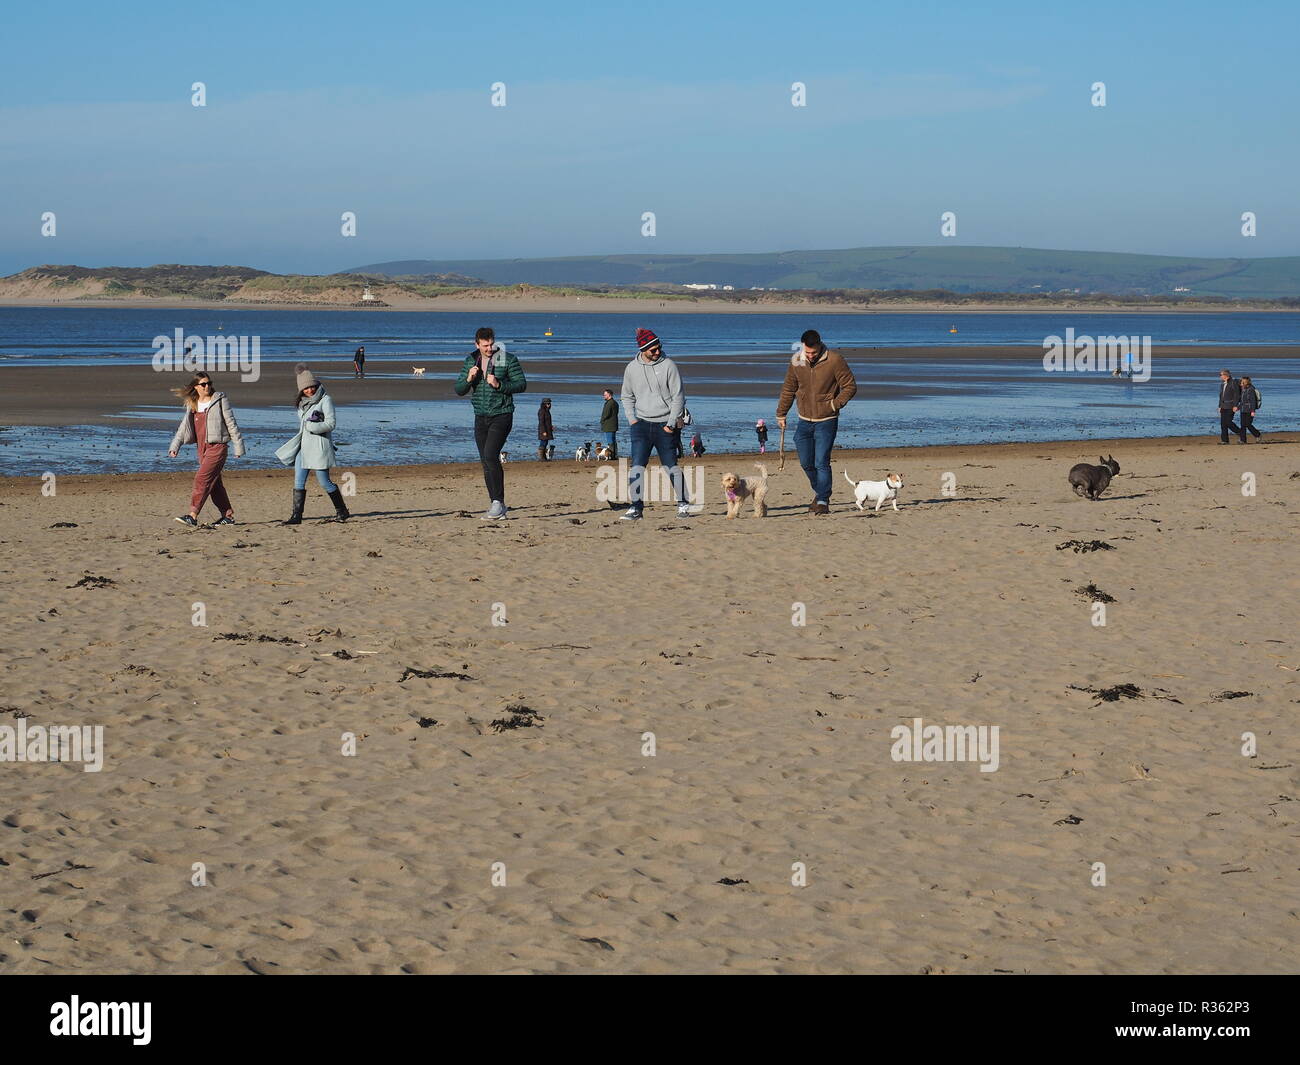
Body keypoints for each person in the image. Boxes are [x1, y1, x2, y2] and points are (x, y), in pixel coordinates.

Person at [776, 329, 858, 515]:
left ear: (820, 345)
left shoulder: (835, 360)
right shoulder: (797, 360)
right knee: (806, 463)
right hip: (804, 419)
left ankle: (822, 500)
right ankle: (821, 492)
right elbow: (789, 389)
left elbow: (850, 386)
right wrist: (781, 414)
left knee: (821, 461)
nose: (810, 356)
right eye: (807, 352)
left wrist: (834, 404)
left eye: (813, 352)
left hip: (827, 420)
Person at [453, 326, 527, 519]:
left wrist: (499, 384)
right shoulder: (471, 360)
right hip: (480, 416)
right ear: (476, 344)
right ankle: (497, 504)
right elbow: (459, 389)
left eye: (491, 344)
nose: (489, 348)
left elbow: (521, 384)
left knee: (490, 455)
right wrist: (469, 378)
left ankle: (497, 503)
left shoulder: (506, 359)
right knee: (486, 461)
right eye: (485, 345)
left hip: (502, 414)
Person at [619, 328, 691, 520]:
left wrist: (669, 424)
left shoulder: (669, 365)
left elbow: (679, 397)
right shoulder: (631, 368)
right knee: (636, 467)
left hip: (666, 425)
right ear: (643, 349)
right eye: (653, 350)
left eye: (659, 348)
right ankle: (636, 508)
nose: (657, 352)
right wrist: (632, 419)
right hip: (640, 425)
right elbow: (626, 396)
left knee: (671, 466)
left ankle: (683, 503)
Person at [168, 371, 245, 527]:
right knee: (215, 484)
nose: (207, 386)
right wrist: (175, 445)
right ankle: (227, 516)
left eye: (209, 383)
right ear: (196, 387)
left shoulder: (219, 400)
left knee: (201, 479)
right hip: (202, 448)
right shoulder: (193, 404)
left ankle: (192, 515)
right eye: (203, 384)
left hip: (218, 447)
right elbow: (184, 427)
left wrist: (238, 446)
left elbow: (231, 423)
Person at [275, 363, 349, 524]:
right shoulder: (301, 403)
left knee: (325, 482)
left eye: (311, 386)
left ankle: (342, 511)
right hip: (303, 448)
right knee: (298, 481)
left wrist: (312, 426)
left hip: (319, 448)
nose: (309, 390)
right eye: (305, 388)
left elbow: (331, 424)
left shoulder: (325, 400)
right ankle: (296, 516)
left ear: (316, 384)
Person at [1217, 368, 1242, 445]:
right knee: (1223, 424)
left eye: (1221, 375)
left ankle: (1241, 433)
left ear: (1226, 375)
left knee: (1228, 422)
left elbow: (1237, 395)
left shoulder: (1233, 382)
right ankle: (1224, 440)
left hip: (1231, 406)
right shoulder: (1222, 384)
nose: (1220, 376)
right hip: (1223, 406)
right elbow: (1221, 396)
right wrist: (1220, 406)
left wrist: (1235, 405)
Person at [1237, 375, 1263, 442]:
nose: (1241, 383)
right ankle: (1243, 440)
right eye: (1241, 382)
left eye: (1242, 382)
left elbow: (1253, 401)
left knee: (1248, 424)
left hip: (1249, 410)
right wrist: (1238, 407)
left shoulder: (1251, 389)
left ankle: (1257, 435)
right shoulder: (1243, 389)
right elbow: (1242, 401)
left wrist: (1253, 411)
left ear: (1246, 382)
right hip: (1243, 410)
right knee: (1242, 425)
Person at [599, 389, 619, 459]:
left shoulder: (610, 403)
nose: (603, 396)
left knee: (610, 441)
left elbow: (606, 414)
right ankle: (614, 455)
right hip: (613, 424)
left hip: (609, 425)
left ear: (609, 395)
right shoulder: (615, 403)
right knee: (613, 440)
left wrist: (602, 421)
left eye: (605, 395)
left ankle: (611, 456)